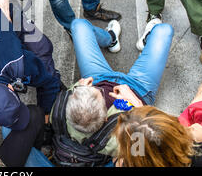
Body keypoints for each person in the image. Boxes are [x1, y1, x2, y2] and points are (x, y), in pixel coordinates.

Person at [49, 18, 173, 163]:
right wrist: (137, 104)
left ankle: (111, 39)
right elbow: (140, 150)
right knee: (164, 30)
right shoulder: (117, 144)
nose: (90, 85)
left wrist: (79, 86)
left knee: (78, 25)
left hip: (98, 76)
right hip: (138, 87)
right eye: (100, 93)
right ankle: (147, 40)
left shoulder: (57, 115)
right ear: (106, 118)